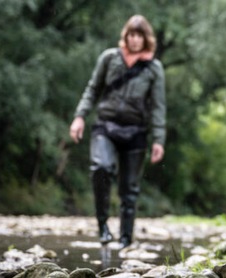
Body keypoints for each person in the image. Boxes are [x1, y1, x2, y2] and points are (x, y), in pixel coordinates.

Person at [69, 15, 166, 248]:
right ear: (126, 36)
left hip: (136, 132)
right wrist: (79, 117)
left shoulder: (154, 68)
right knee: (101, 168)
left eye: (139, 35)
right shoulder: (109, 58)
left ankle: (125, 239)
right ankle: (103, 226)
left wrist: (159, 139)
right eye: (131, 35)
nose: (134, 40)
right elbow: (92, 89)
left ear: (146, 38)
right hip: (106, 126)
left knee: (129, 189)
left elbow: (158, 106)